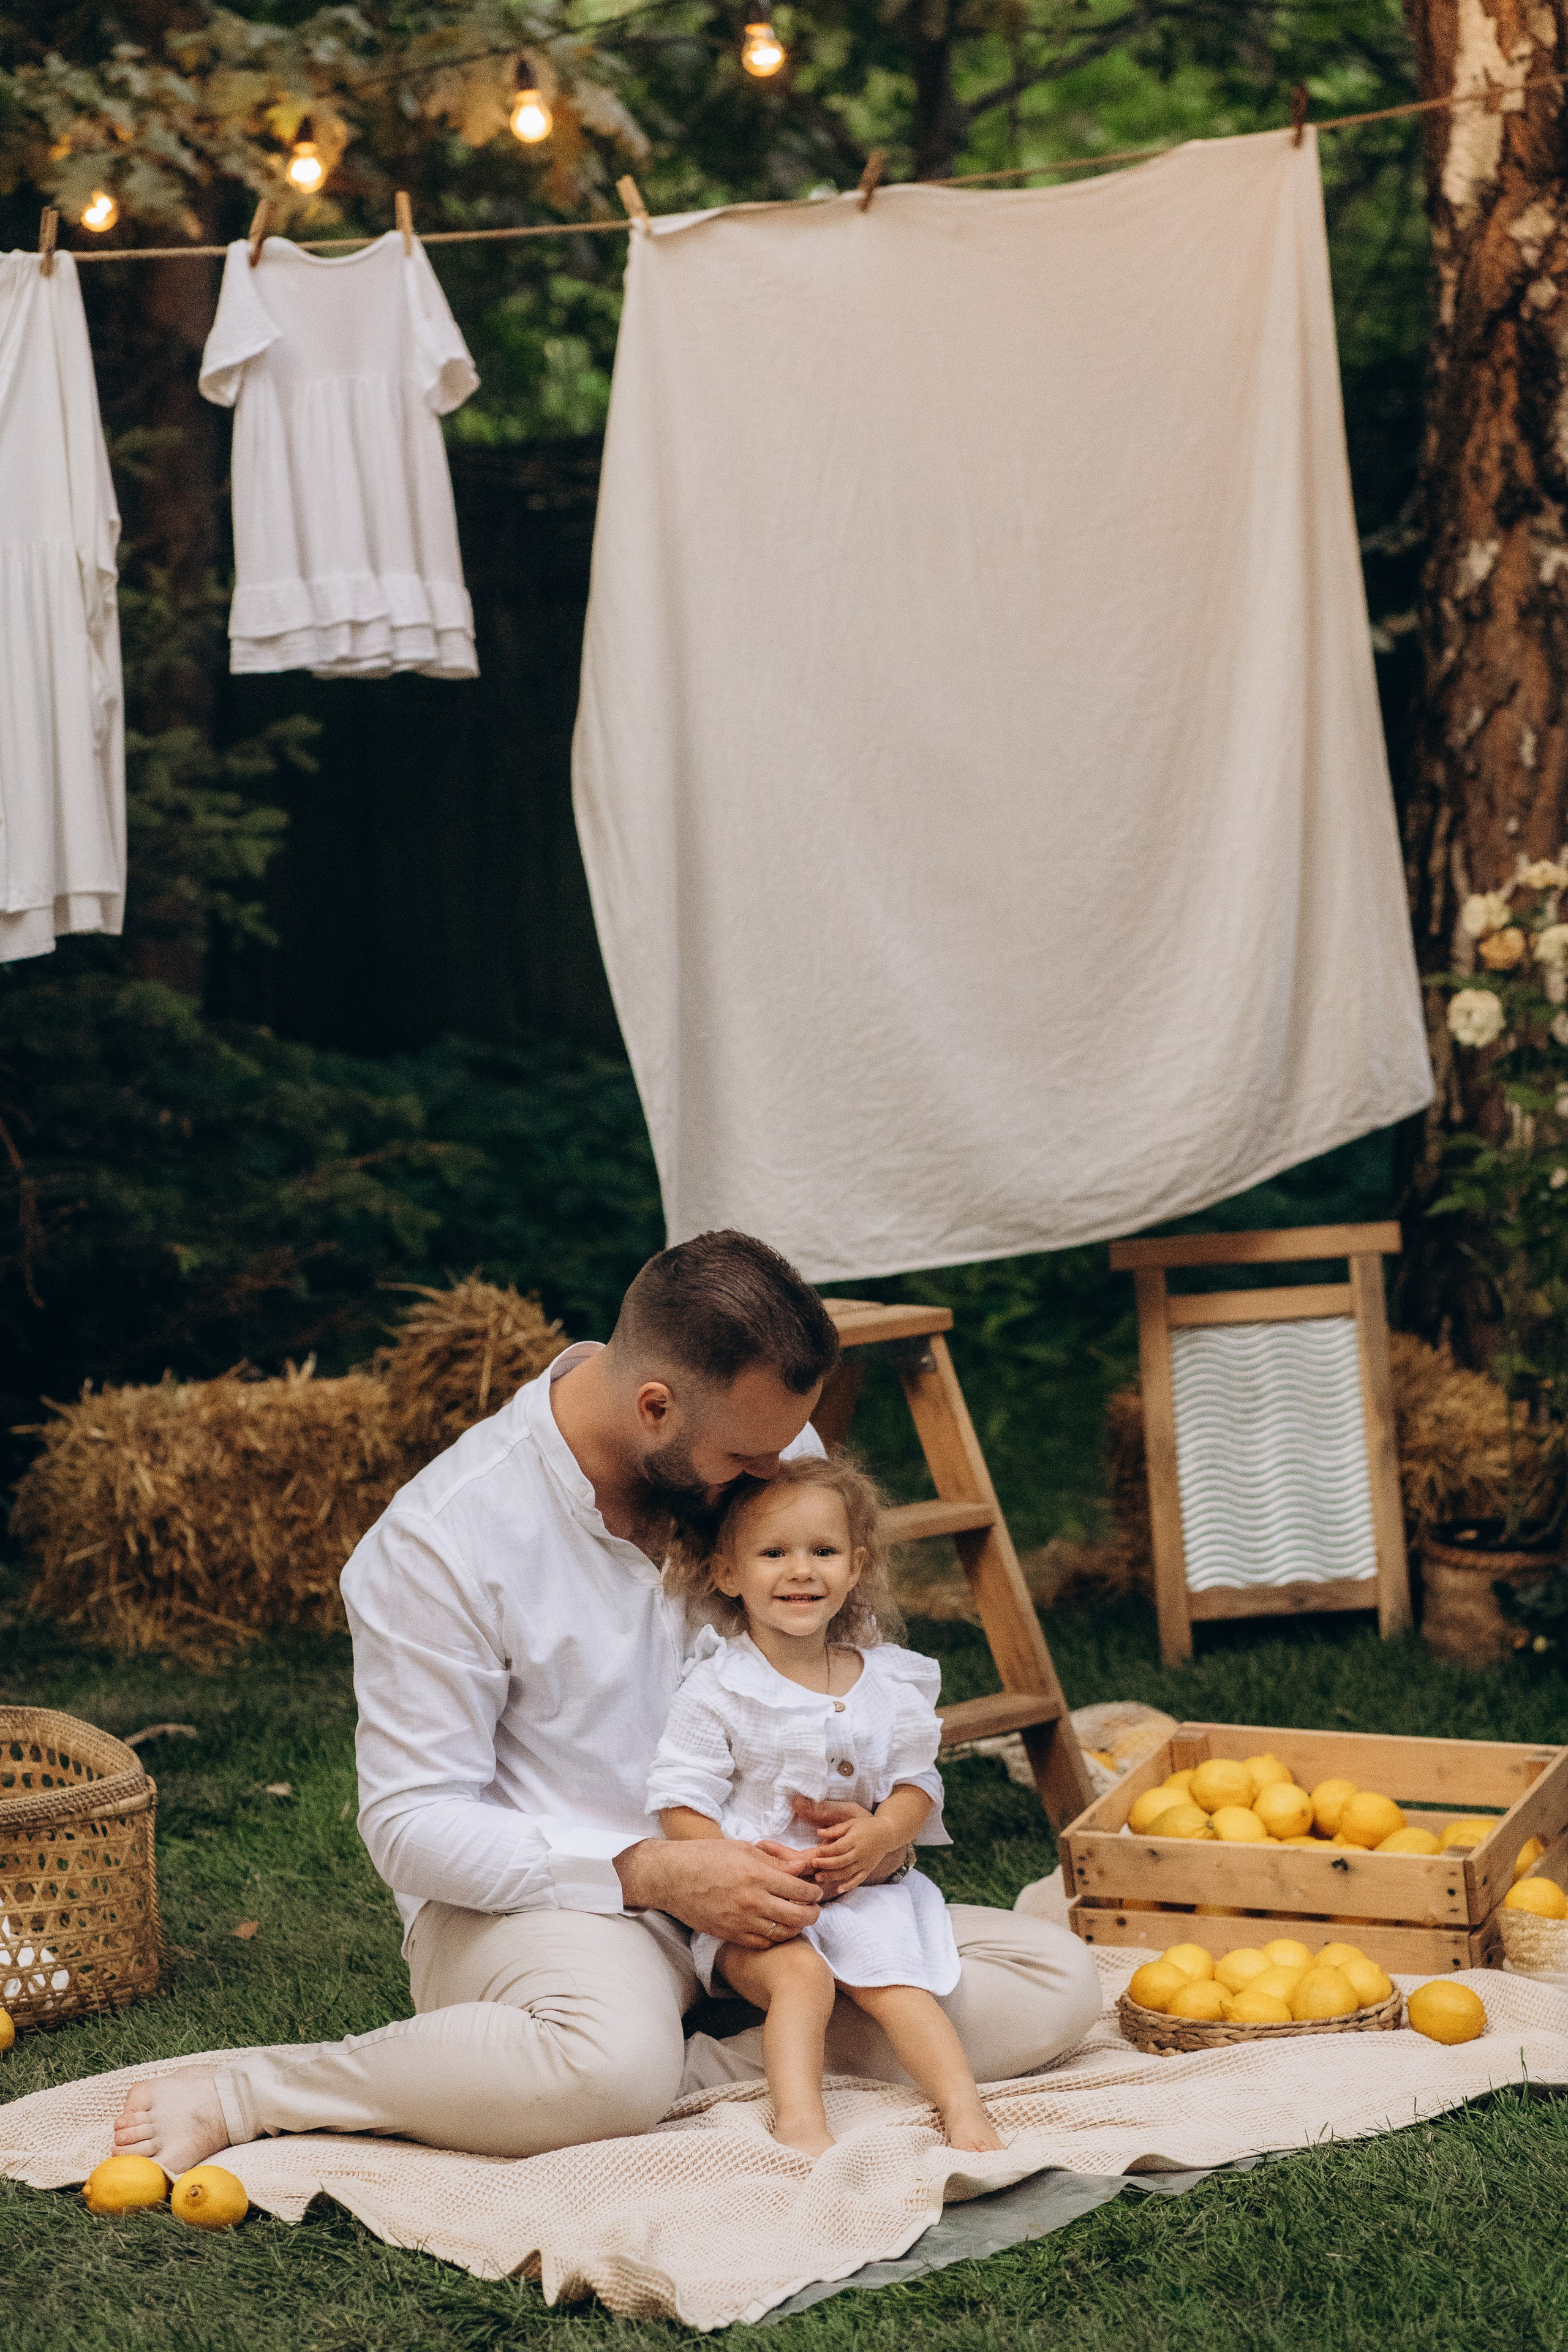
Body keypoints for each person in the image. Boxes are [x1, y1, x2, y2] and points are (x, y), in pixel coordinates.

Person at [113, 1229, 1101, 2174]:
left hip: (772, 1902)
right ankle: (257, 2092)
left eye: (784, 1446)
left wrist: (879, 1829)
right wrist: (654, 1873)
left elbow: (851, 1662)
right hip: (559, 1903)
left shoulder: (757, 1441)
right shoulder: (442, 1542)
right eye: (748, 1460)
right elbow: (410, 1828)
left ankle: (673, 2070)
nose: (779, 1470)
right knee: (603, 2065)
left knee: (1052, 1991)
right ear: (658, 1407)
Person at [651, 1452, 1004, 2158]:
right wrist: (741, 1867)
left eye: (824, 1551)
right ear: (728, 1573)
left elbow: (917, 1783)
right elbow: (679, 1801)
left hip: (859, 1892)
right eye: (773, 1553)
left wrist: (881, 1834)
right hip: (760, 1908)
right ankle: (801, 2119)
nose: (801, 1570)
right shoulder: (719, 1690)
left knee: (900, 1985)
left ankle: (965, 2112)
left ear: (855, 1566)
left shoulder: (886, 1682)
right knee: (803, 1978)